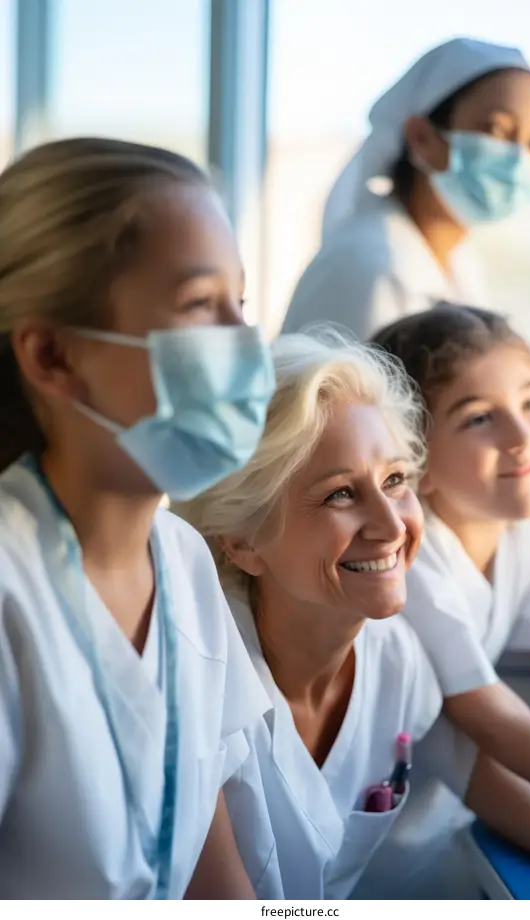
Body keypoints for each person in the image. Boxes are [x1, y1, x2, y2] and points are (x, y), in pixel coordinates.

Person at [178, 329, 530, 899]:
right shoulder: (201, 679)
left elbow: (477, 775)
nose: (392, 525)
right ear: (243, 542)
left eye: (396, 481)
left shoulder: (398, 658)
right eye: (340, 495)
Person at [0, 137, 277, 899]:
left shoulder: (184, 561)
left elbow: (212, 876)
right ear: (52, 355)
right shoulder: (10, 584)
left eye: (240, 304)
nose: (246, 345)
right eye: (198, 307)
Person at [352, 304, 530, 897]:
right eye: (480, 419)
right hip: (374, 867)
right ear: (415, 464)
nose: (522, 438)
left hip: (445, 830)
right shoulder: (407, 563)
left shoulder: (523, 532)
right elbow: (490, 727)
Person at [281, 37, 530, 341]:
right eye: (497, 130)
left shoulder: (462, 266)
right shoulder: (365, 268)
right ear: (421, 138)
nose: (518, 159)